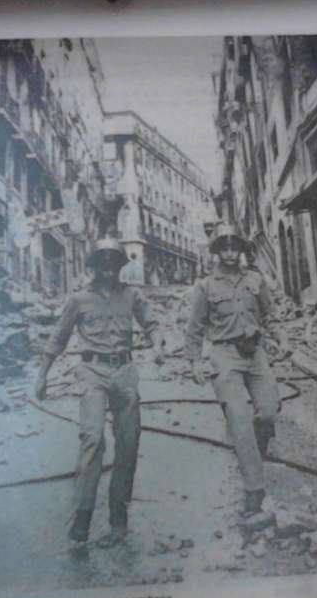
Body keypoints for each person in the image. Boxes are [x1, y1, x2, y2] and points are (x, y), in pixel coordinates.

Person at [35, 238, 165, 547]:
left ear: (121, 266)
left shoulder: (132, 294)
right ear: (94, 265)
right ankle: (82, 516)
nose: (109, 269)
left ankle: (118, 516)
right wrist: (42, 376)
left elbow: (152, 323)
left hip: (124, 372)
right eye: (103, 263)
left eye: (114, 263)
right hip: (92, 371)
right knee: (92, 439)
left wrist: (159, 342)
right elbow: (58, 338)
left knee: (129, 442)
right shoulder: (79, 300)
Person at [184, 224, 290, 517]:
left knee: (268, 410)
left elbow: (270, 315)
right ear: (217, 251)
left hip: (255, 352)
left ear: (241, 250)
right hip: (224, 354)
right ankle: (254, 489)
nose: (230, 254)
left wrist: (282, 338)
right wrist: (194, 361)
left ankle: (254, 452)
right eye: (224, 248)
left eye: (235, 248)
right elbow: (194, 329)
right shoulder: (206, 286)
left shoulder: (255, 280)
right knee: (240, 418)